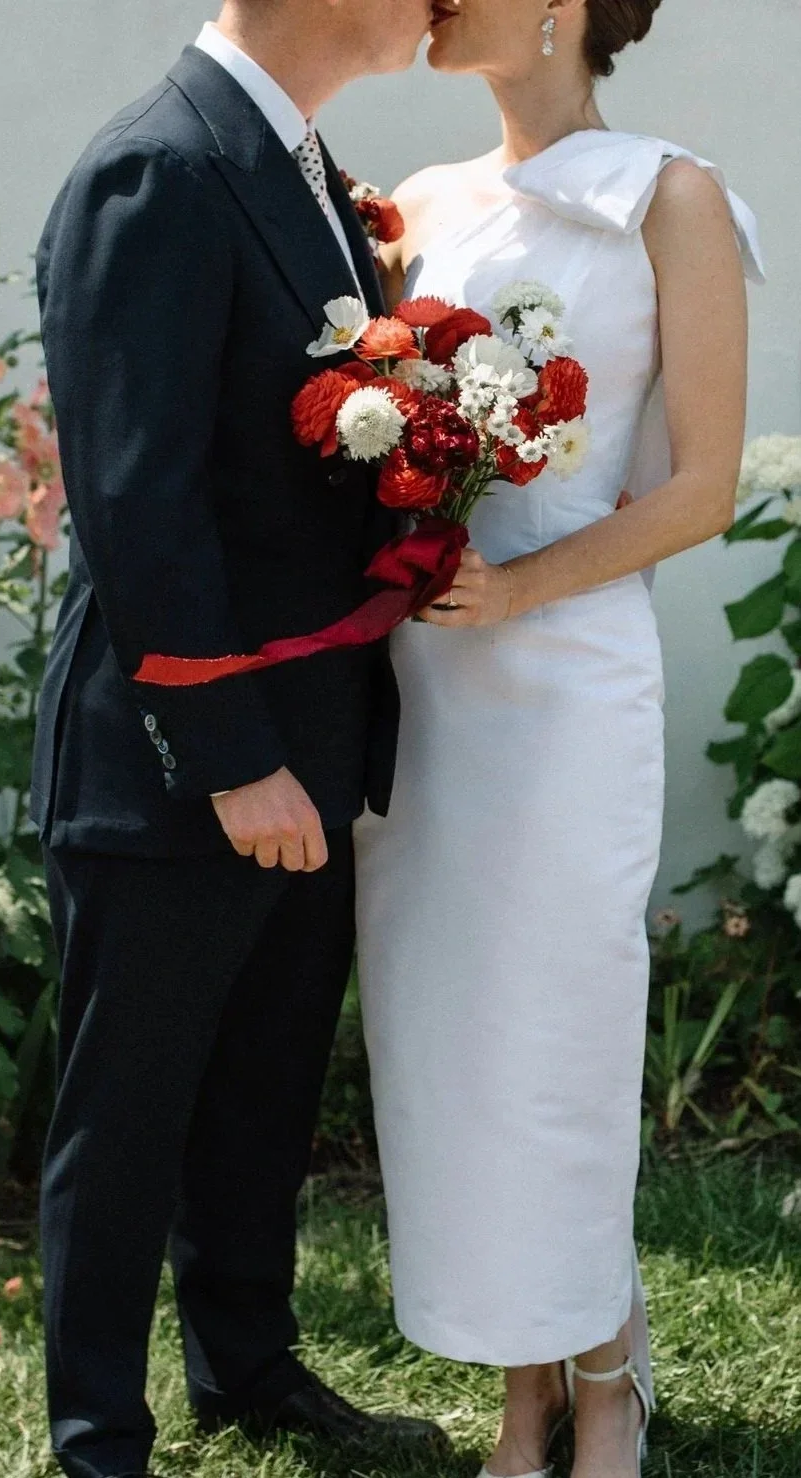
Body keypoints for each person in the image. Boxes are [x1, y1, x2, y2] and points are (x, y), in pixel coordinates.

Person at [31, 4, 447, 1475]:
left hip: (311, 730)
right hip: (175, 753)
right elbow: (135, 500)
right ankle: (97, 1431)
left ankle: (246, 1361)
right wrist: (229, 754)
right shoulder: (157, 167)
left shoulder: (314, 174)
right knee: (130, 1102)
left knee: (265, 1077)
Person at [354, 2, 763, 1476]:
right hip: (424, 683)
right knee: (454, 1040)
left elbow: (700, 483)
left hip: (567, 668)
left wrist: (517, 584)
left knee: (555, 1040)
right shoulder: (412, 209)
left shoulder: (672, 193)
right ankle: (525, 1384)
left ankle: (605, 1376)